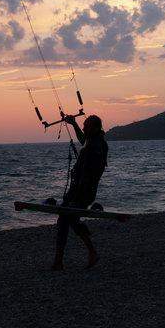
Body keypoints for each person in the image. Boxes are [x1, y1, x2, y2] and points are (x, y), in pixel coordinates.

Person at [51, 114, 108, 271]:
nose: (84, 128)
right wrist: (74, 124)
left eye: (86, 126)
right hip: (77, 189)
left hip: (84, 191)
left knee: (69, 218)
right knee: (64, 219)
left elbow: (91, 173)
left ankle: (92, 252)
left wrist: (79, 193)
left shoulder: (98, 146)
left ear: (95, 128)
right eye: (83, 126)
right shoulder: (93, 141)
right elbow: (84, 140)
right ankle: (58, 261)